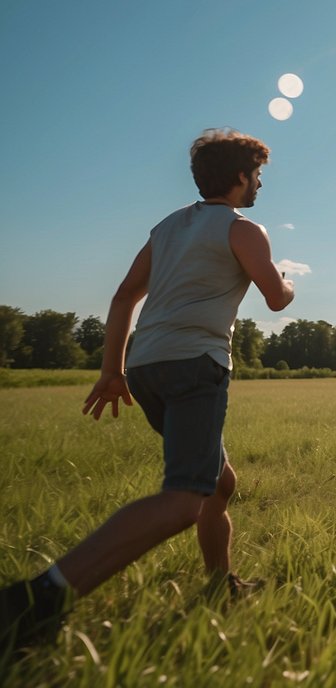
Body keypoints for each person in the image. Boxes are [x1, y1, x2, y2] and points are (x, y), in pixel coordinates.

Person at [1, 129, 294, 649]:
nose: (260, 185)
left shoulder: (166, 228)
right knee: (185, 498)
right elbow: (275, 298)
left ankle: (219, 584)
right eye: (258, 176)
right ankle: (39, 596)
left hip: (146, 367)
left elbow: (122, 298)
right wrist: (288, 278)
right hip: (195, 366)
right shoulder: (244, 229)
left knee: (218, 484)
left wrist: (111, 370)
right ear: (240, 177)